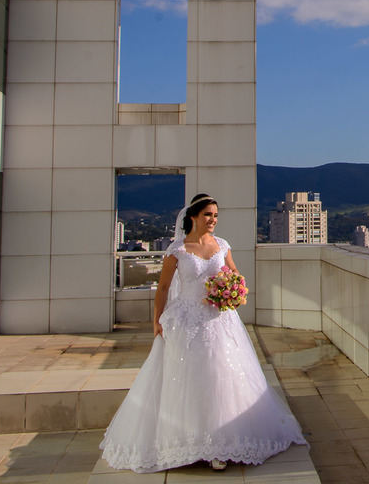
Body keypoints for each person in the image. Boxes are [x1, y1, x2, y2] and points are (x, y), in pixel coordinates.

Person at [100, 194, 306, 472]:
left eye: (216, 216)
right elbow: (162, 288)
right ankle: (186, 442)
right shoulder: (177, 250)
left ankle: (220, 445)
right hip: (186, 319)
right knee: (188, 378)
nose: (213, 220)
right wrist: (156, 319)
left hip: (219, 320)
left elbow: (235, 274)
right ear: (193, 217)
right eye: (208, 215)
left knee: (221, 378)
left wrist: (232, 291)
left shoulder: (222, 245)